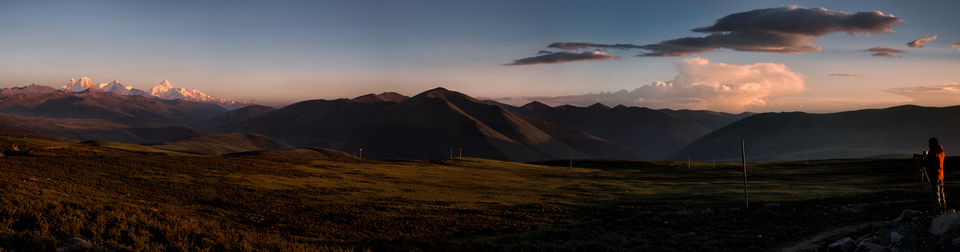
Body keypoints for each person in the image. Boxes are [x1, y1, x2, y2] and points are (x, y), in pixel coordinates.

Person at [920, 137, 946, 214]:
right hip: (940, 175)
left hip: (934, 175)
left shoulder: (932, 152)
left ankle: (937, 209)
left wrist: (921, 163)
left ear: (932, 144)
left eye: (929, 144)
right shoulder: (941, 152)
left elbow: (928, 162)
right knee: (941, 193)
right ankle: (943, 208)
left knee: (935, 193)